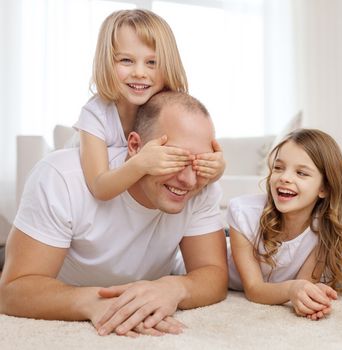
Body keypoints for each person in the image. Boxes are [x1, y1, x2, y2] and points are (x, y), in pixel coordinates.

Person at [0, 91, 228, 337]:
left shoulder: (201, 187)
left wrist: (175, 288)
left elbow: (213, 273)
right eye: (174, 159)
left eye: (200, 164)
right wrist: (90, 301)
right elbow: (12, 291)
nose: (188, 179)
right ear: (134, 146)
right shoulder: (60, 177)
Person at [75, 9, 224, 201]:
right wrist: (141, 163)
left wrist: (217, 169)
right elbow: (99, 187)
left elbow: (192, 164)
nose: (139, 72)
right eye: (126, 60)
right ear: (107, 63)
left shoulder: (170, 111)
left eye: (152, 62)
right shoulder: (96, 114)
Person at [228, 129, 342, 320]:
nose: (285, 177)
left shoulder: (324, 229)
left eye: (301, 173)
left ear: (324, 188)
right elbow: (254, 290)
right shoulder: (243, 213)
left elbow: (301, 285)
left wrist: (310, 295)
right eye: (279, 168)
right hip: (212, 271)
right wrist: (293, 289)